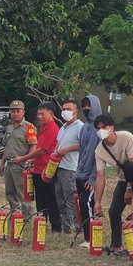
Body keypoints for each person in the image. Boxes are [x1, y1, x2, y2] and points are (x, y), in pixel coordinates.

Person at [92, 114, 133, 253]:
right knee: (113, 212)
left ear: (111, 127)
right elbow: (100, 176)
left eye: (103, 127)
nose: (100, 130)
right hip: (124, 178)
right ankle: (116, 245)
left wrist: (129, 189)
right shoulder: (99, 150)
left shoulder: (126, 137)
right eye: (97, 128)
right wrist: (97, 202)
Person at [12, 102, 61, 233]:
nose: (39, 116)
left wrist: (23, 158)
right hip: (38, 169)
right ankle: (41, 223)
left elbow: (41, 150)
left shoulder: (52, 129)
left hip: (47, 170)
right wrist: (32, 160)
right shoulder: (43, 128)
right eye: (38, 113)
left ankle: (56, 227)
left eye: (42, 114)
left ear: (51, 113)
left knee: (50, 199)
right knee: (41, 199)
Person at [0, 100, 37, 219]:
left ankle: (27, 217)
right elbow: (7, 146)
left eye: (18, 111)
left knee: (23, 193)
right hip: (9, 164)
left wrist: (27, 161)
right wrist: (2, 164)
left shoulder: (28, 127)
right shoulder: (9, 128)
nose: (15, 114)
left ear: (23, 112)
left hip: (21, 165)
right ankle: (15, 216)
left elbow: (33, 146)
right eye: (13, 111)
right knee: (10, 192)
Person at [75, 95, 102, 243]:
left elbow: (99, 156)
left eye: (89, 106)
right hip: (80, 174)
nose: (86, 109)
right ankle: (87, 238)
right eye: (84, 106)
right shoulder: (85, 127)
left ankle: (92, 239)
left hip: (90, 176)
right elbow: (82, 152)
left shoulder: (99, 128)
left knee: (87, 205)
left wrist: (93, 178)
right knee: (82, 205)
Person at [53, 99, 83, 235]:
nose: (65, 112)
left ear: (75, 111)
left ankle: (79, 228)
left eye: (68, 109)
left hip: (71, 168)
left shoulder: (80, 127)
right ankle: (66, 228)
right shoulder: (63, 127)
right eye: (63, 109)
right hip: (59, 167)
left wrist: (68, 149)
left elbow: (84, 144)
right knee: (61, 200)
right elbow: (58, 145)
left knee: (72, 200)